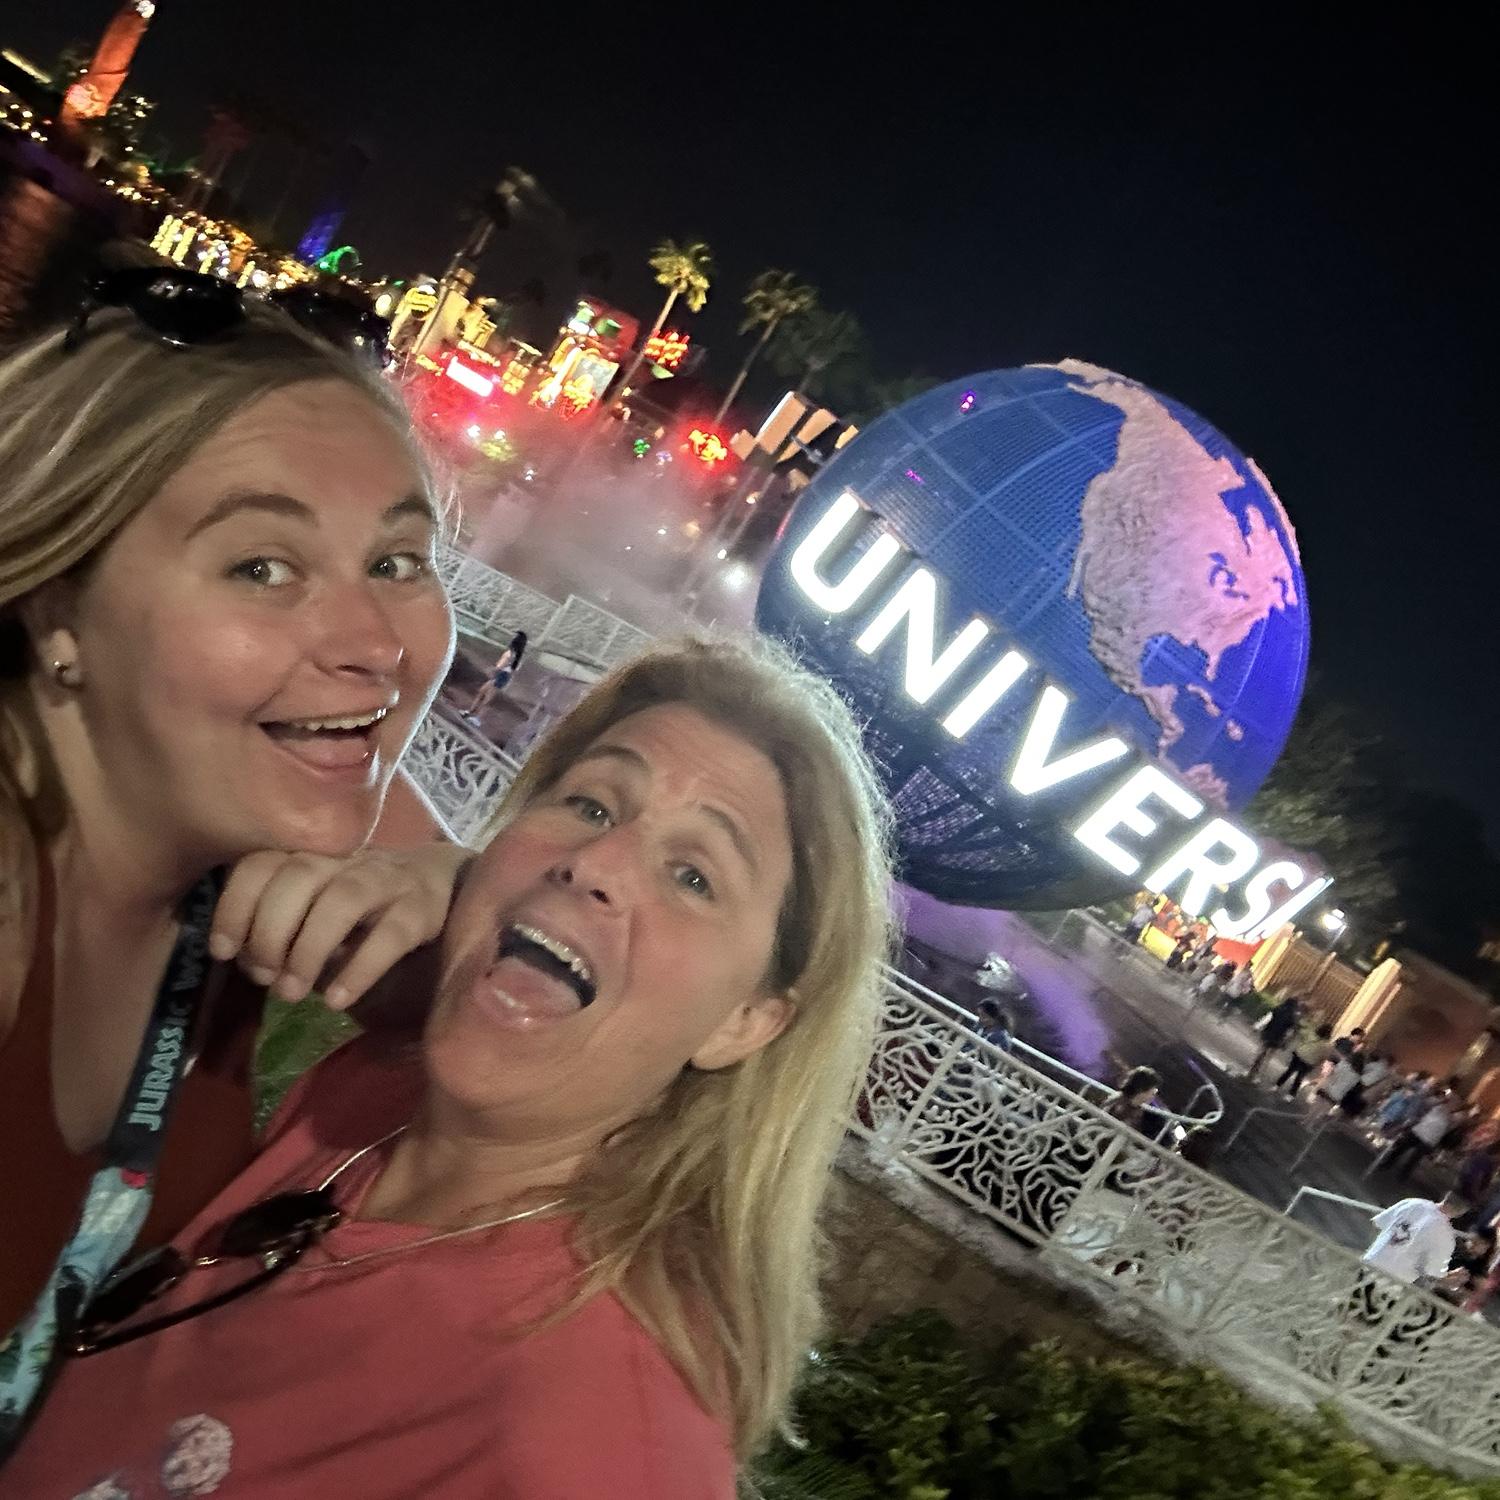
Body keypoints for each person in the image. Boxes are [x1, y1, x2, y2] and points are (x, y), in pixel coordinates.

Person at [1, 637, 898, 1497]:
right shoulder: (384, 1093)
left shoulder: (602, 1445)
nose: (594, 863)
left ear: (747, 1022)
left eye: (694, 876)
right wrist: (448, 890)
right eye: (589, 804)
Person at [0, 269, 469, 1432]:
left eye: (398, 563)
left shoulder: (233, 786)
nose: (376, 647)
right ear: (58, 610)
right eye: (263, 567)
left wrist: (453, 893)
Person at [1361, 1191, 1462, 1287]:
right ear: (1461, 1212)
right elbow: (1432, 1271)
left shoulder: (1411, 1203)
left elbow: (1378, 1223)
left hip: (1369, 1263)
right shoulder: (1445, 1237)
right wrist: (1447, 1280)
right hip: (1391, 1284)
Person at [1380, 1081, 1461, 1180]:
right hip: (1421, 1129)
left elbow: (1450, 1127)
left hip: (1431, 1137)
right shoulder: (1437, 1104)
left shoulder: (1453, 1116)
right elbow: (1426, 1103)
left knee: (1414, 1158)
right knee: (1401, 1146)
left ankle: (1402, 1175)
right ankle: (1388, 1163)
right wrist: (1442, 1101)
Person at [463, 628, 528, 723]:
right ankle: (470, 712)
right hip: (504, 676)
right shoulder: (518, 657)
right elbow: (513, 670)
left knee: (486, 696)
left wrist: (493, 670)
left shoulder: (510, 653)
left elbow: (501, 665)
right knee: (483, 692)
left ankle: (477, 717)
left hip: (500, 675)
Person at [1273, 1020, 1334, 1097]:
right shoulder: (1327, 1044)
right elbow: (1324, 1056)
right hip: (1309, 1062)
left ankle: (1277, 1085)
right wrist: (1317, 1063)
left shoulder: (1312, 1034)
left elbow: (1302, 1033)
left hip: (1300, 1055)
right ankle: (1291, 1094)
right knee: (1299, 1077)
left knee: (1289, 1071)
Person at [1247, 993, 1301, 1080]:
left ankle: (1250, 1070)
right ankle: (1258, 1077)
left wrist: (1256, 1027)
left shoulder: (1278, 1009)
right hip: (1278, 1039)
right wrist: (1286, 1042)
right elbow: (1290, 1032)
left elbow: (1266, 1019)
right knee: (1267, 1059)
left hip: (1267, 1034)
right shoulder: (1292, 1017)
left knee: (1259, 1053)